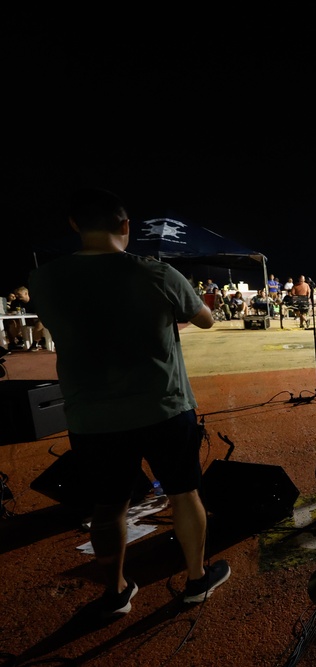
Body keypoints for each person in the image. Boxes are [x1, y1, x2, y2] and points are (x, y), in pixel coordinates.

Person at [29, 188, 230, 620]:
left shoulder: (44, 279)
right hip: (163, 406)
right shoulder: (154, 272)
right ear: (125, 226)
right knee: (183, 493)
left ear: (74, 226)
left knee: (108, 505)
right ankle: (196, 580)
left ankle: (117, 591)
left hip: (92, 414)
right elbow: (206, 319)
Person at [3, 286, 46, 350]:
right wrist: (10, 302)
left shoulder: (35, 301)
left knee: (40, 323)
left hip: (36, 319)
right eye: (16, 294)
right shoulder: (17, 302)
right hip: (24, 320)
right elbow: (10, 311)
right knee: (11, 322)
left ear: (26, 293)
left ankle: (35, 343)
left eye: (19, 294)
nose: (17, 296)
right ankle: (14, 342)